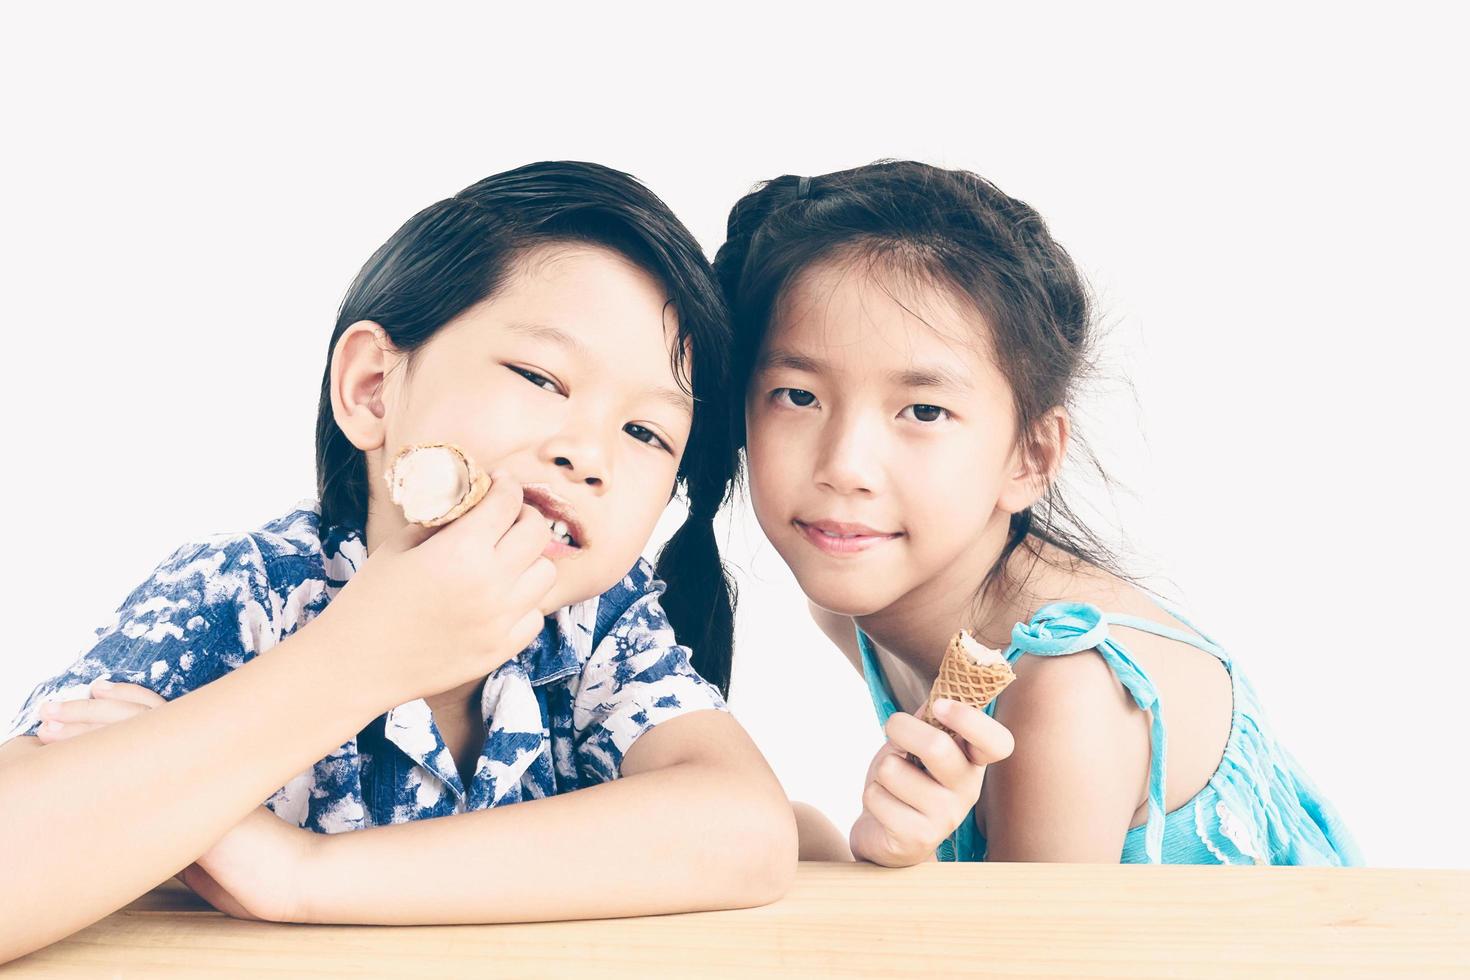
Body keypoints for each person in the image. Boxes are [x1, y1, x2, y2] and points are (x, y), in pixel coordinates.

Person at [0, 161, 795, 963]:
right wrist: (362, 660)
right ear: (374, 387)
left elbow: (746, 832)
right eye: (540, 377)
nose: (590, 455)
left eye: (646, 433)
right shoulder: (247, 591)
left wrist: (300, 873)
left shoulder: (601, 625)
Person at [715, 161, 1361, 867]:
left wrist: (894, 863)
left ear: (1029, 454)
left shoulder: (1066, 692)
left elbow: (1025, 961)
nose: (844, 465)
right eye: (797, 395)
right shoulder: (857, 597)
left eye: (923, 411)